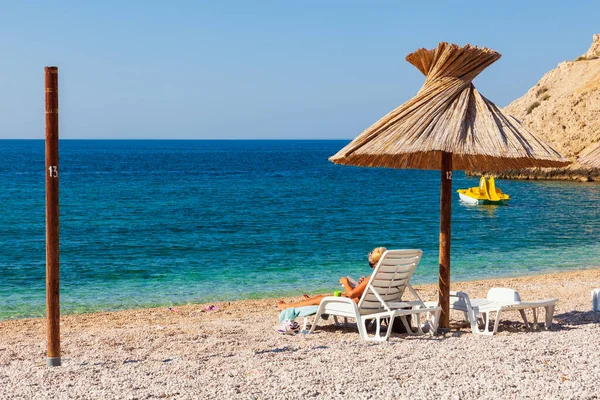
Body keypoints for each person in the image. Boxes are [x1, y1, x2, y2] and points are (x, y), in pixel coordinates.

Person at [277, 247, 387, 310]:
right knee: (325, 297)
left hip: (356, 304)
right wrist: (362, 286)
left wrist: (345, 282)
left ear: (377, 263)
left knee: (321, 298)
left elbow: (351, 294)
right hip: (378, 304)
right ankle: (310, 301)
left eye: (371, 264)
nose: (372, 267)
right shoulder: (389, 276)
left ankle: (286, 306)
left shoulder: (374, 277)